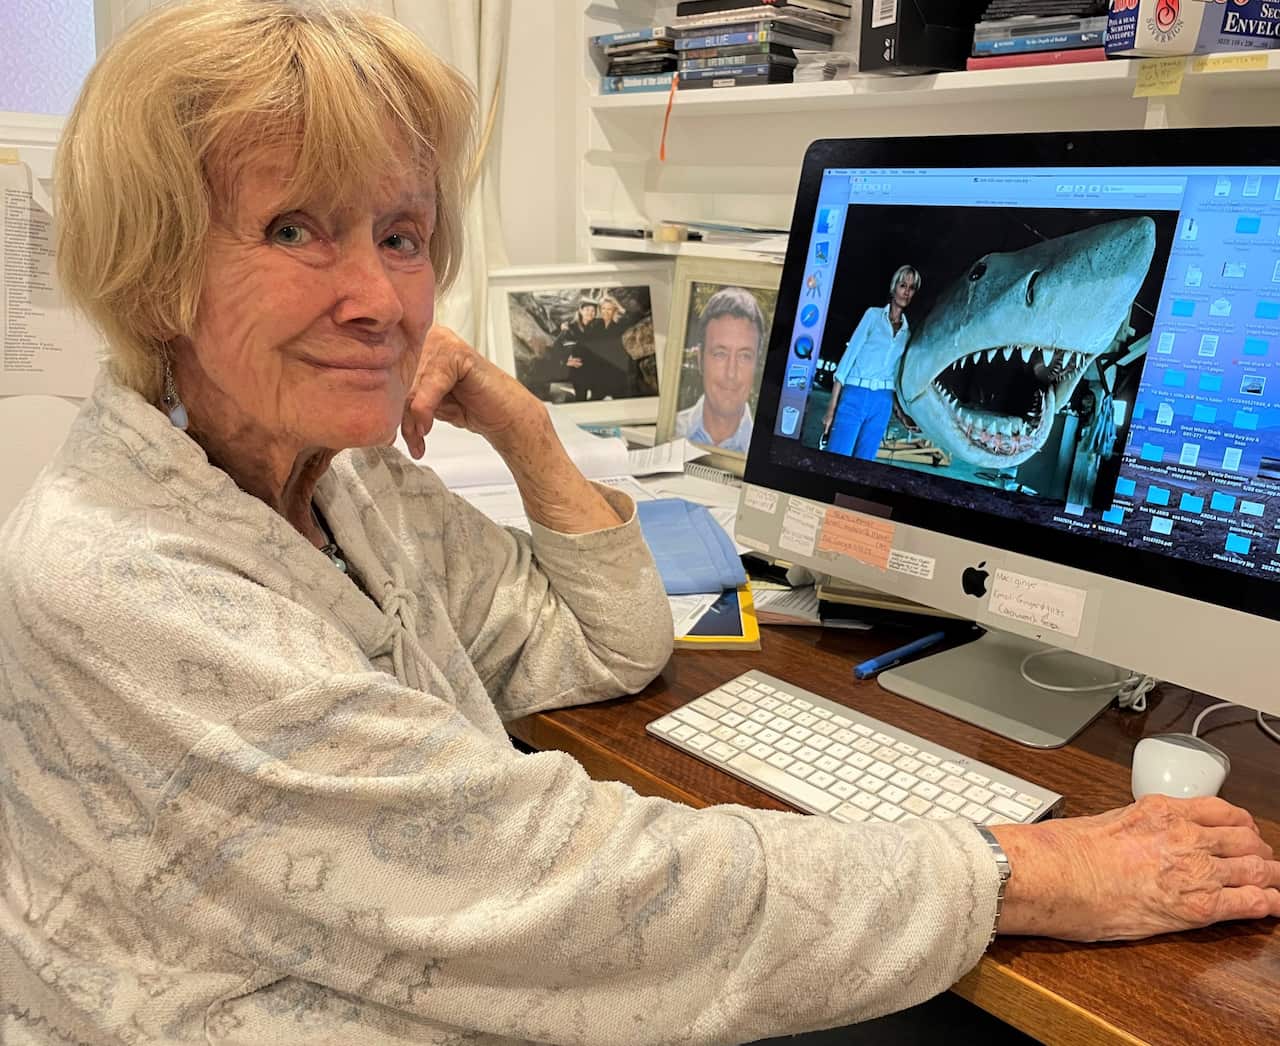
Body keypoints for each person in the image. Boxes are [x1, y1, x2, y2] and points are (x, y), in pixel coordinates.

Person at [1, 4, 1277, 1045]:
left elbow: (600, 644)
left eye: (400, 234)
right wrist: (1029, 871)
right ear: (152, 263)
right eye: (295, 229)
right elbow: (559, 888)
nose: (379, 298)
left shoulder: (342, 486)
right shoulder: (129, 579)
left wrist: (516, 420)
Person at [823, 264, 920, 460]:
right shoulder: (873, 316)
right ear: (894, 288)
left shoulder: (907, 334)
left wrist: (901, 416)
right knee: (837, 458)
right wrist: (831, 410)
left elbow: (893, 376)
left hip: (882, 403)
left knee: (864, 462)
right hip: (854, 396)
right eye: (903, 285)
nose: (906, 292)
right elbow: (846, 362)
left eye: (911, 288)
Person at [673, 286, 765, 454]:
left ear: (756, 365)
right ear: (700, 360)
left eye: (744, 356)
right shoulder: (670, 432)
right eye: (720, 354)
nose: (731, 373)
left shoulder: (764, 452)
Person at [550, 296, 596, 400]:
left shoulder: (597, 326)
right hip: (578, 370)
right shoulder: (570, 327)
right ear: (580, 310)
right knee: (581, 397)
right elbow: (556, 347)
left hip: (594, 369)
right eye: (587, 309)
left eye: (593, 310)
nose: (590, 313)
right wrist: (566, 361)